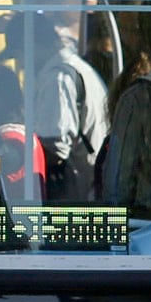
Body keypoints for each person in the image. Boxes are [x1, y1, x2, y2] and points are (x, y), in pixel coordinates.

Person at [32, 16, 110, 198]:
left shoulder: (57, 78)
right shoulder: (77, 66)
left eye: (19, 54)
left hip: (76, 196)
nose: (20, 63)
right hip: (92, 184)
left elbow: (55, 147)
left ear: (33, 47)